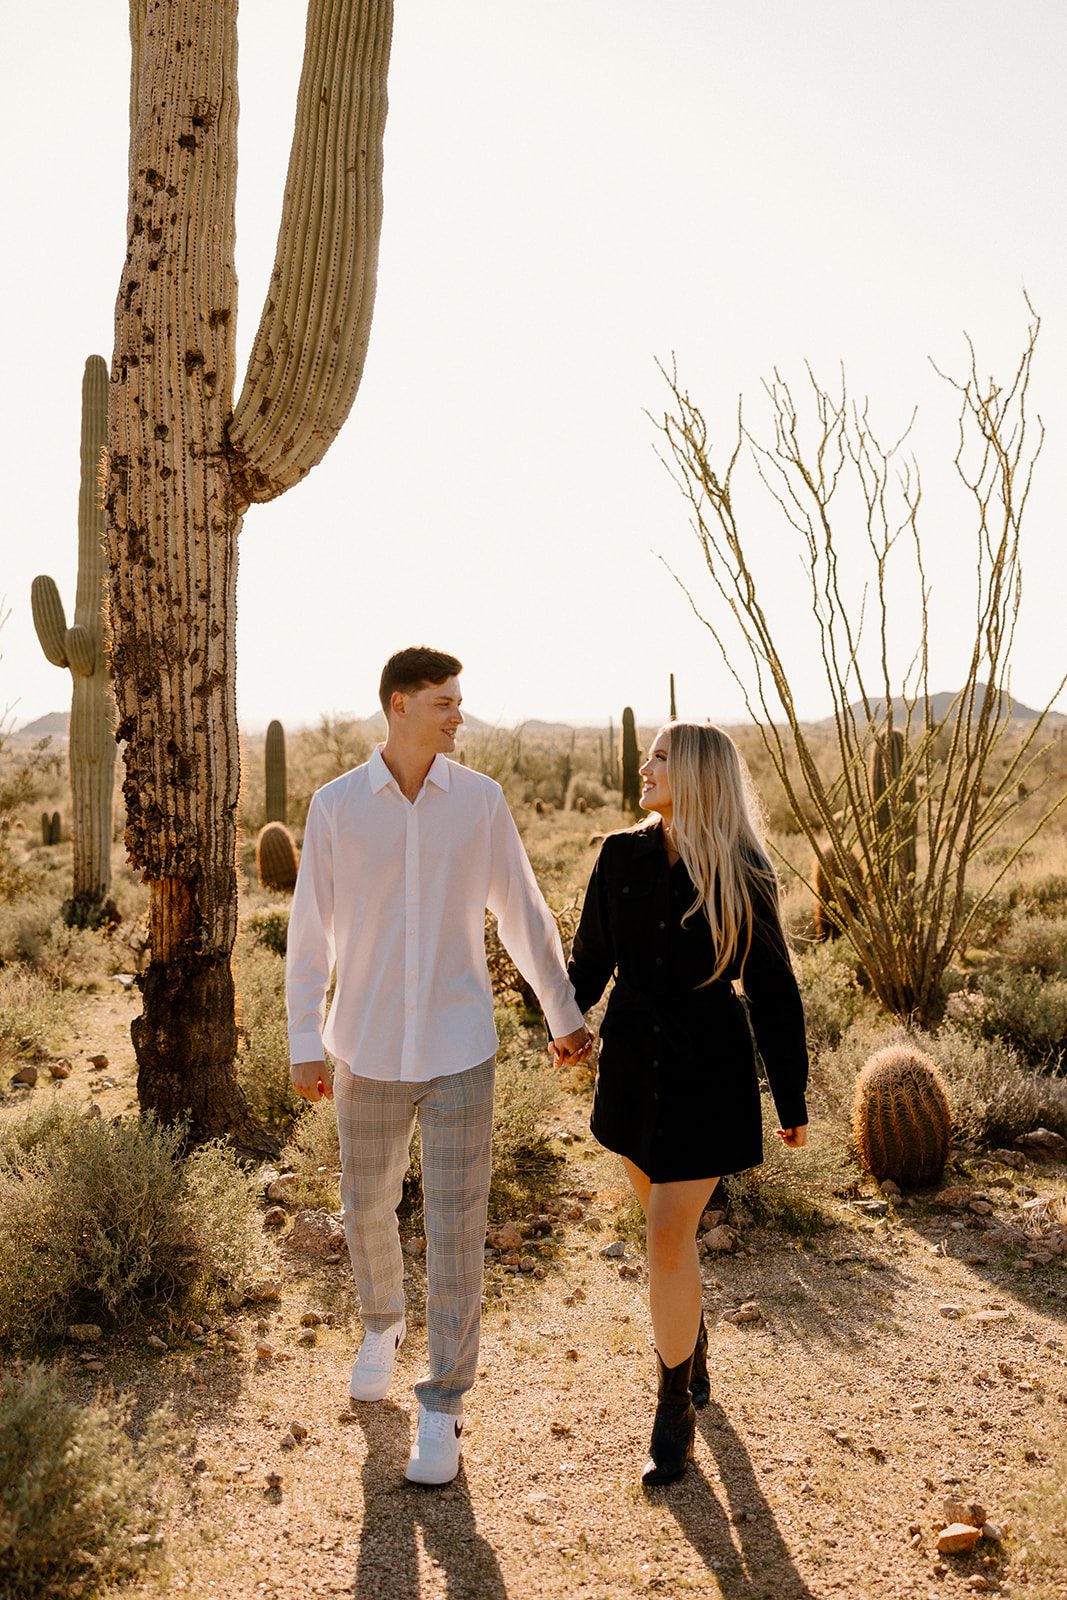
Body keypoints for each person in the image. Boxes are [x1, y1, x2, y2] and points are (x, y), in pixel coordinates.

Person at [286, 647, 591, 1486]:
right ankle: (381, 1320)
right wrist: (302, 1039)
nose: (459, 715)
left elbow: (524, 916)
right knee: (365, 1207)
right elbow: (309, 930)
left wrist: (563, 1016)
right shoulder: (336, 807)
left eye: (460, 702)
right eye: (444, 703)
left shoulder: (480, 803)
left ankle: (443, 1406)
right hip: (366, 1048)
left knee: (457, 1228)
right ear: (399, 706)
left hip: (462, 1050)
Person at [560, 721, 808, 1486]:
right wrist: (566, 1024)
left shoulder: (744, 870)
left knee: (667, 1235)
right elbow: (589, 961)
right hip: (633, 1060)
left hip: (709, 1066)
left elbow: (772, 989)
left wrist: (790, 1094)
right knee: (666, 1234)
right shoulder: (617, 854)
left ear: (696, 773)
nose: (645, 764)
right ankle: (690, 1351)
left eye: (660, 756)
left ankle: (673, 1410)